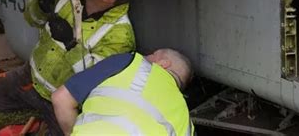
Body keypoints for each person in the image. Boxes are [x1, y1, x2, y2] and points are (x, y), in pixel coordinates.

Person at [0, 0, 136, 135]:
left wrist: (70, 43)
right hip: (30, 78)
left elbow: (94, 81)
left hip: (65, 102)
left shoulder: (120, 35)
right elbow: (33, 19)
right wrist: (40, 6)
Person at [52, 48, 194, 136]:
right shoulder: (186, 121)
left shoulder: (131, 62)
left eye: (152, 54)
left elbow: (61, 98)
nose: (146, 56)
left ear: (163, 64)